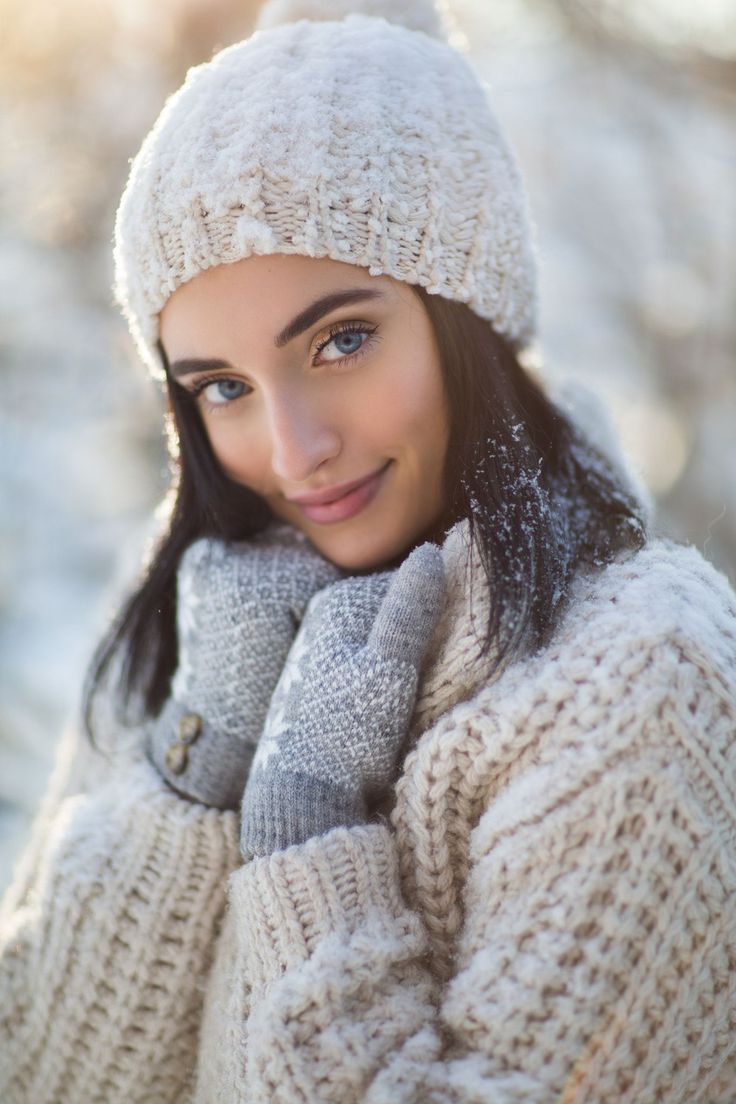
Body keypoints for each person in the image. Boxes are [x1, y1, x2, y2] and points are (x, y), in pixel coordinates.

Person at [1, 0, 734, 1100]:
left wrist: (308, 839)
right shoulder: (198, 624)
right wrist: (203, 772)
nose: (294, 452)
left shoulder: (638, 673)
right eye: (222, 389)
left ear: (465, 317)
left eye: (341, 340)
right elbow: (42, 1069)